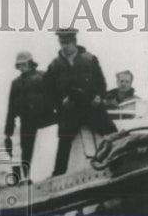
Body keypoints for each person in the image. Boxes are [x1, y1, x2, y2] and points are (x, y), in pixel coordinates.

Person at [43, 29, 116, 176]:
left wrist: (99, 97)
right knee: (64, 141)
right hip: (70, 111)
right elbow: (48, 92)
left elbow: (101, 83)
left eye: (68, 43)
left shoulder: (90, 59)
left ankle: (118, 160)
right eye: (62, 42)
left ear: (75, 42)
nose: (65, 46)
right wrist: (61, 102)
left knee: (111, 132)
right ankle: (58, 174)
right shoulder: (54, 66)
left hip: (91, 107)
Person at [3, 51, 51, 180]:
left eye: (24, 64)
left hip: (47, 123)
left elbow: (55, 97)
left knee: (47, 153)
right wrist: (8, 133)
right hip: (27, 125)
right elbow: (11, 110)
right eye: (19, 65)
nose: (21, 67)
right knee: (26, 155)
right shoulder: (16, 83)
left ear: (30, 63)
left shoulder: (44, 77)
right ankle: (27, 181)